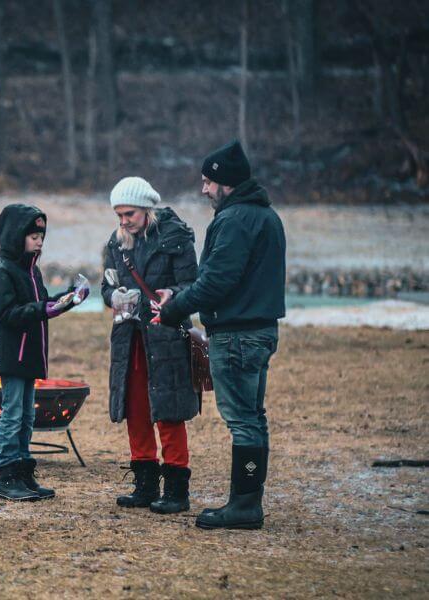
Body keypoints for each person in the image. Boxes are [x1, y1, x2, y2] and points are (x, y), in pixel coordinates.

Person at [155, 140, 286, 530]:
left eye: (208, 181)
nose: (204, 189)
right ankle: (248, 501)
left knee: (243, 420)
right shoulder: (266, 217)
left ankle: (244, 506)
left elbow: (216, 282)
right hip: (259, 331)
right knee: (253, 417)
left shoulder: (234, 221)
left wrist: (174, 307)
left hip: (238, 336)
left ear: (226, 183)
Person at [100, 176, 200, 515]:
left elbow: (193, 284)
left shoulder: (176, 236)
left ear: (146, 209)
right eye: (119, 215)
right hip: (130, 339)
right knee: (135, 409)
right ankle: (144, 485)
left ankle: (176, 490)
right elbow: (106, 286)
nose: (123, 221)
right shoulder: (116, 244)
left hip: (166, 334)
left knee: (169, 411)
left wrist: (173, 295)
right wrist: (113, 296)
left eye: (128, 214)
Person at [0, 204, 80, 501]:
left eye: (41, 235)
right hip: (12, 356)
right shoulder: (0, 272)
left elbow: (39, 305)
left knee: (26, 415)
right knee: (12, 414)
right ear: (15, 236)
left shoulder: (32, 270)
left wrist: (65, 300)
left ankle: (24, 471)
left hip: (30, 356)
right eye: (32, 235)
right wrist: (44, 308)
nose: (39, 241)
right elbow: (7, 314)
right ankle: (7, 473)